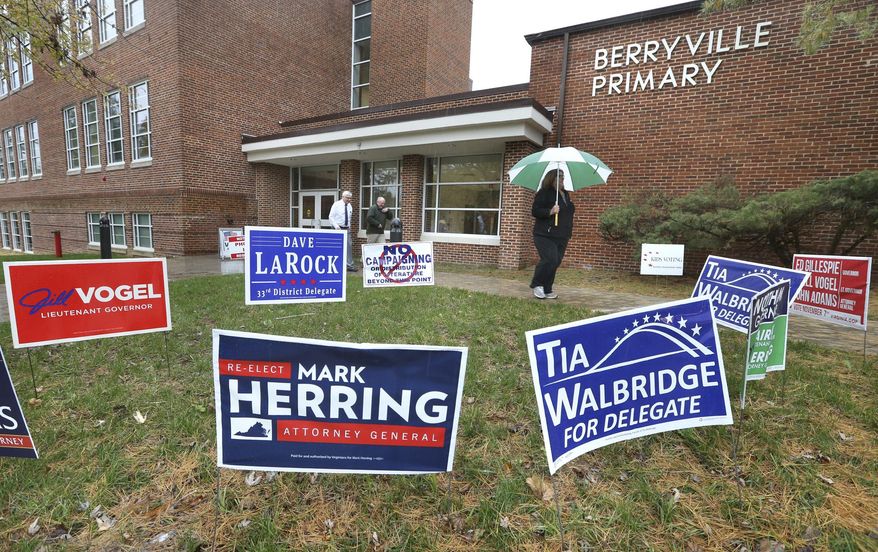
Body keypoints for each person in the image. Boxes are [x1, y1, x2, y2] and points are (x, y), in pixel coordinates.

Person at [530, 170, 575, 299]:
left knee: (556, 262)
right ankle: (537, 284)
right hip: (544, 234)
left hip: (562, 235)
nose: (562, 179)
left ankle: (547, 288)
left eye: (563, 177)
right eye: (560, 177)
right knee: (549, 259)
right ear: (552, 178)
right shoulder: (544, 193)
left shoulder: (565, 194)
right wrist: (550, 211)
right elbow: (535, 211)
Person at [329, 190, 357, 272]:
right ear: (343, 197)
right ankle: (334, 265)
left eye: (350, 198)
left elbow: (349, 218)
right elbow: (331, 217)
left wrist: (349, 227)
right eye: (347, 198)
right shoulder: (336, 204)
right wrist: (336, 226)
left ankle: (349, 266)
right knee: (336, 247)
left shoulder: (349, 206)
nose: (349, 200)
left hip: (346, 229)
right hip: (337, 229)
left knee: (349, 247)